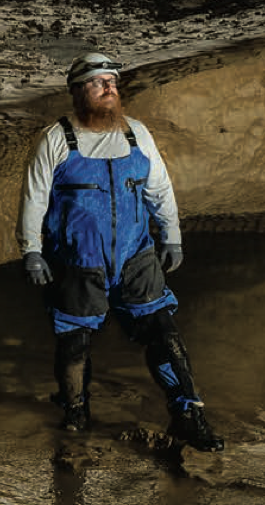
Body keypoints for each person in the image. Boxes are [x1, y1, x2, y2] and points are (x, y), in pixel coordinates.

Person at [18, 52, 224, 452]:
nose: (109, 88)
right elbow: (34, 199)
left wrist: (172, 236)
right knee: (75, 343)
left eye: (112, 81)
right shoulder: (56, 140)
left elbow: (159, 189)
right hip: (79, 261)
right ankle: (75, 413)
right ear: (78, 91)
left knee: (164, 334)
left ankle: (189, 416)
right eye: (99, 82)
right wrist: (32, 250)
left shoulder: (136, 134)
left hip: (136, 257)